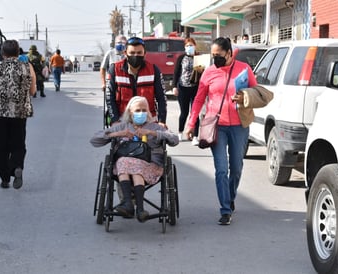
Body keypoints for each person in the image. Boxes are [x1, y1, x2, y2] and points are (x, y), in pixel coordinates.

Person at [186, 37, 257, 225]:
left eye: (218, 55)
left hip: (239, 126)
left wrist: (245, 97)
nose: (215, 58)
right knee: (221, 169)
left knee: (236, 168)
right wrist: (191, 123)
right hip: (216, 127)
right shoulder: (209, 72)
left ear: (229, 52)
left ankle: (230, 197)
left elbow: (256, 92)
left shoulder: (244, 69)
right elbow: (199, 99)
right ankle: (225, 209)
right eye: (213, 55)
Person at [90, 96, 179, 222]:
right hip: (124, 169)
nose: (141, 113)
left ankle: (135, 207)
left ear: (148, 112)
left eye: (144, 110)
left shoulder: (154, 127)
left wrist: (151, 133)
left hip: (150, 166)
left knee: (128, 164)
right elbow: (94, 140)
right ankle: (133, 206)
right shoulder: (122, 127)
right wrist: (117, 134)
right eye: (137, 110)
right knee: (124, 161)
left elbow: (175, 139)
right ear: (130, 113)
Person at [0, 40, 36, 189]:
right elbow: (33, 91)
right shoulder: (28, 66)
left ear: (3, 53)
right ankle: (16, 168)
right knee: (19, 145)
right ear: (18, 52)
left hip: (0, 112)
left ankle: (5, 179)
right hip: (20, 112)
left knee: (2, 147)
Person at [106, 36, 167, 127]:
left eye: (139, 53)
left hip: (148, 120)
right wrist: (114, 120)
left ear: (144, 53)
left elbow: (161, 98)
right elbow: (109, 97)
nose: (135, 56)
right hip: (122, 120)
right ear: (125, 53)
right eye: (132, 53)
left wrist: (162, 121)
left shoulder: (153, 70)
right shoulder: (114, 69)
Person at [172, 37, 201, 145]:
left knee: (195, 113)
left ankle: (195, 136)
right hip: (183, 87)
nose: (189, 47)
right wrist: (174, 86)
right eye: (187, 46)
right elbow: (176, 72)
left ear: (195, 46)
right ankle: (180, 132)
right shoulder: (181, 58)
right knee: (184, 112)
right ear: (184, 47)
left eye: (191, 45)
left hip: (196, 88)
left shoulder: (199, 57)